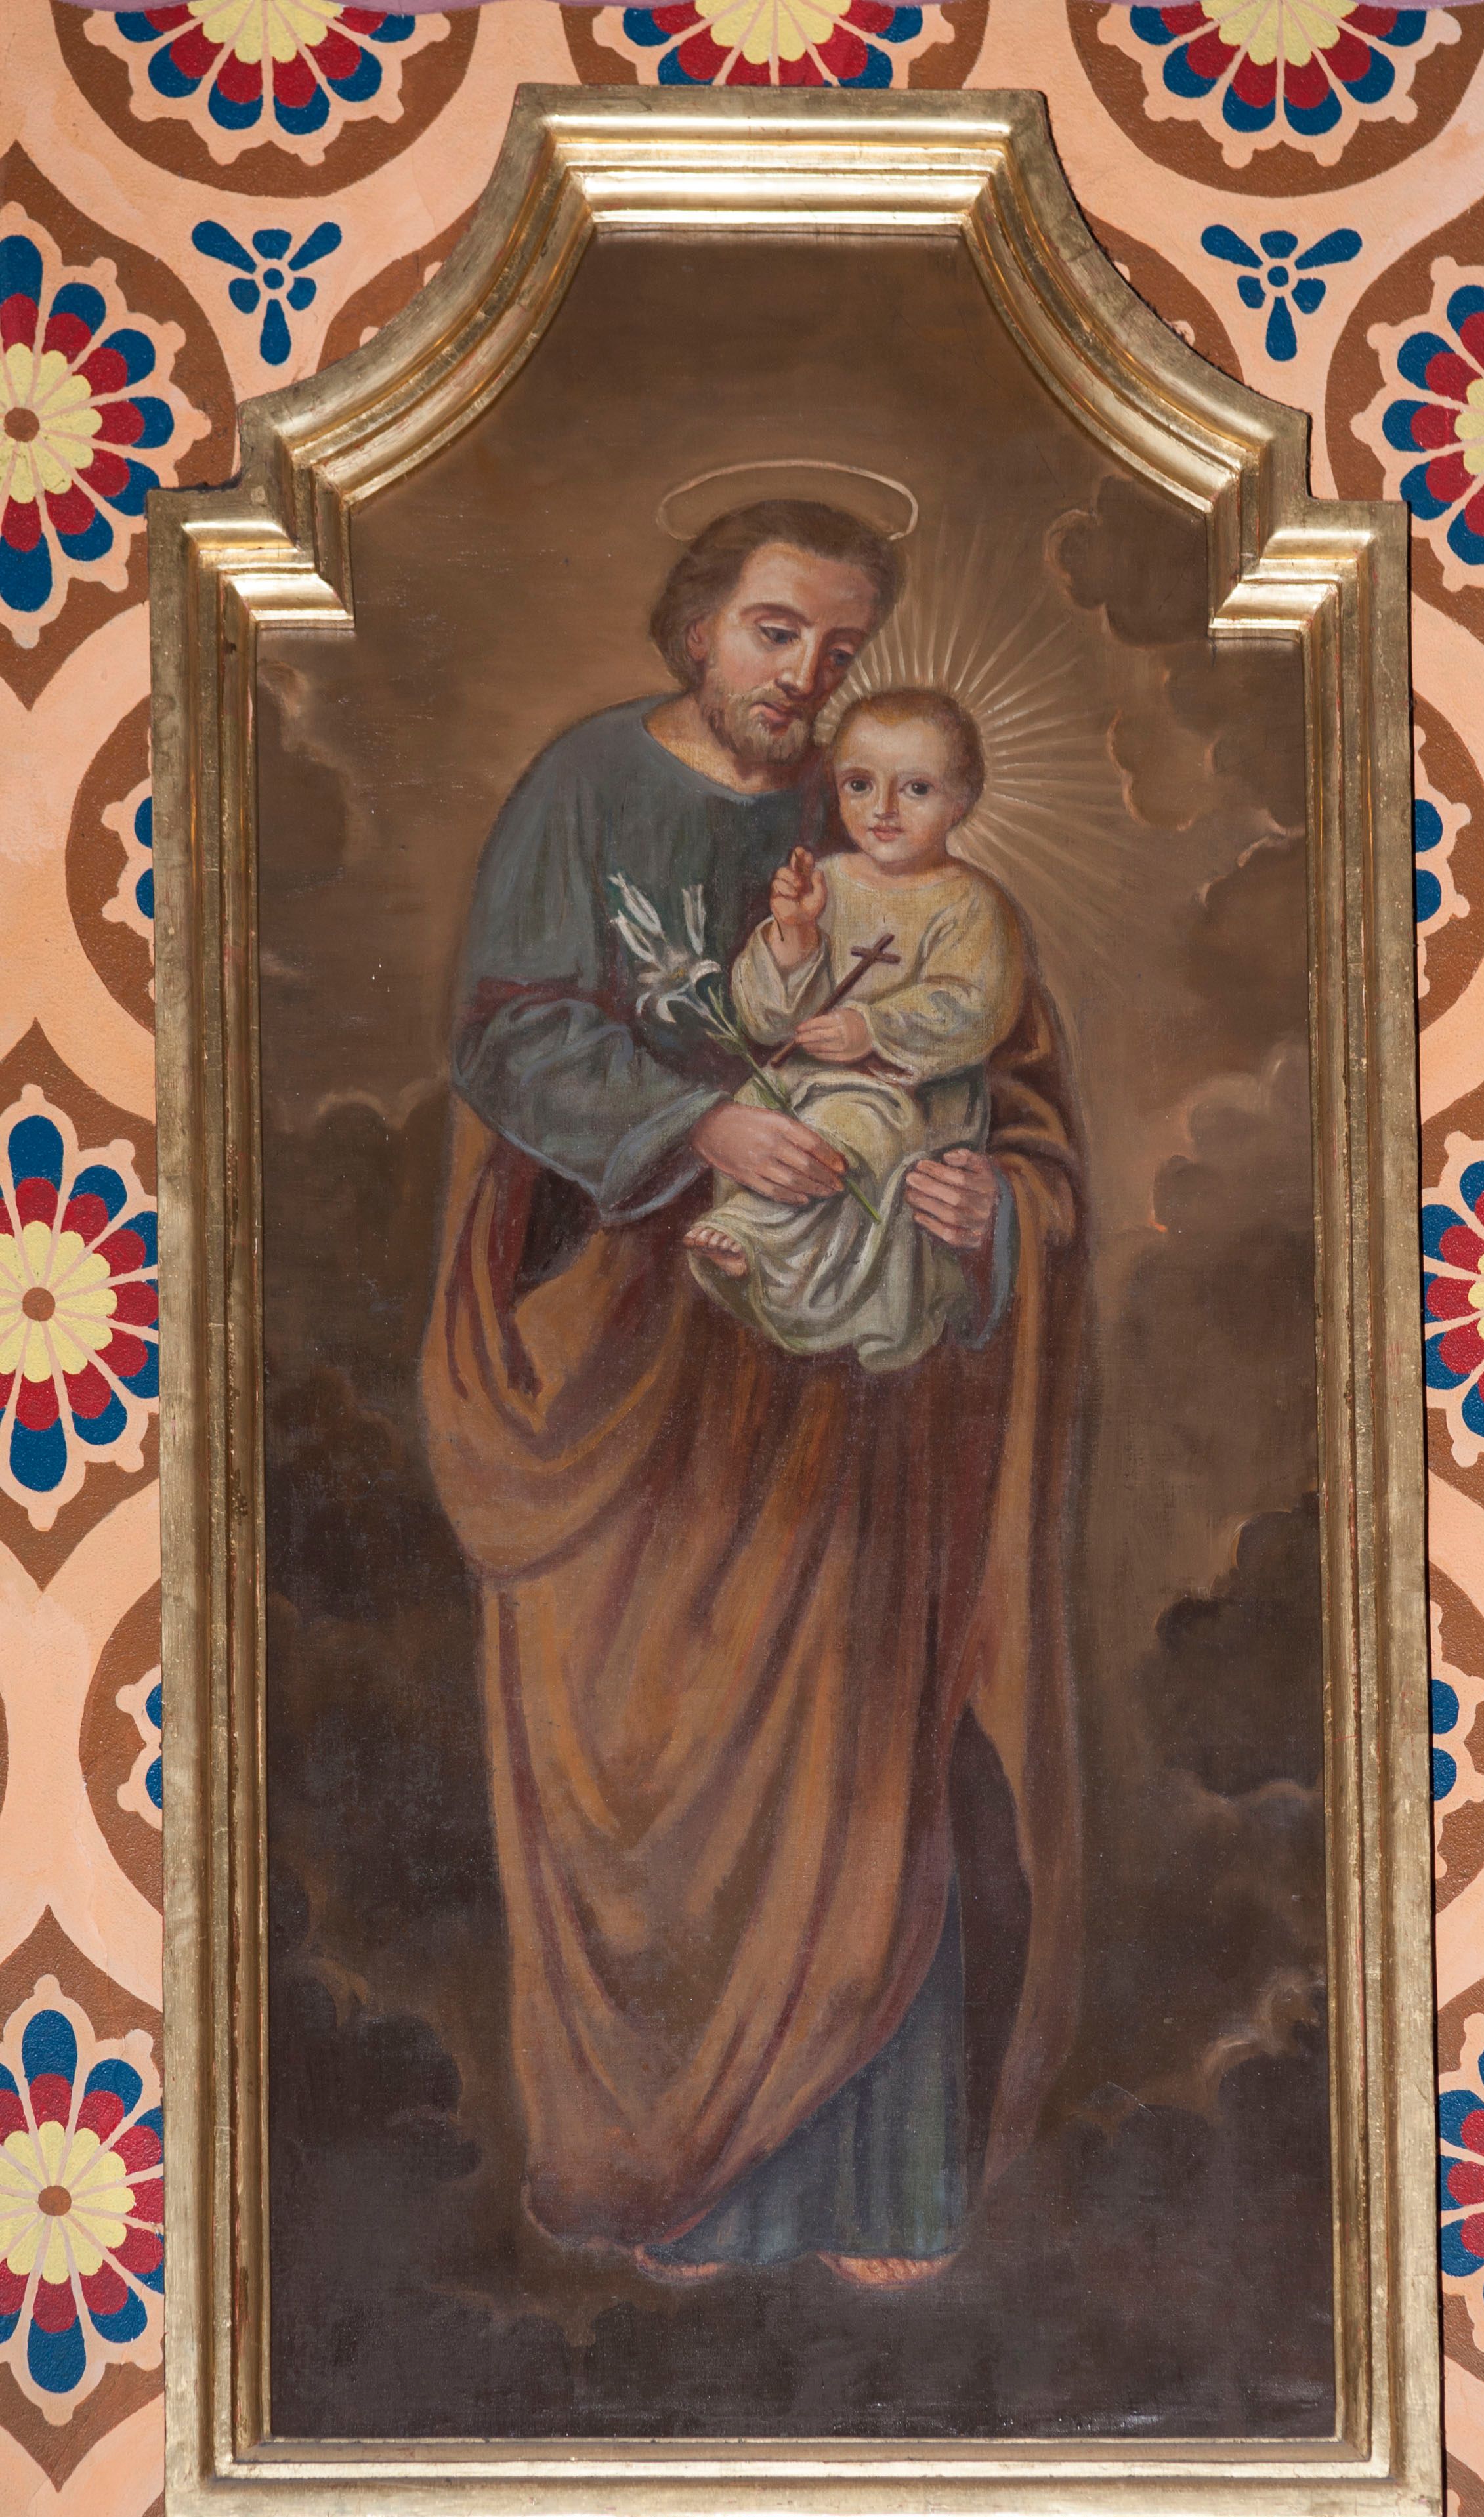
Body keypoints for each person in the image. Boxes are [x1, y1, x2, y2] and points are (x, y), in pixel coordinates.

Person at [421, 492, 1088, 2284]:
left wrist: (989, 1212)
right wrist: (697, 1125)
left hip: (847, 1415)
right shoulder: (586, 787)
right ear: (698, 619)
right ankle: (675, 2184)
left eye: (840, 644)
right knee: (649, 1772)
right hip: (637, 1381)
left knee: (863, 1769)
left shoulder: (879, 801)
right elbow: (508, 1031)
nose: (808, 674)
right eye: (777, 629)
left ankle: (871, 2198)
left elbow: (1011, 1097)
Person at [686, 688, 1024, 1374]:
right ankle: (775, 1262)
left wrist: (871, 1028)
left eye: (917, 788)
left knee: (856, 1122)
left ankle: (752, 1234)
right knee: (761, 1111)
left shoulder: (972, 904)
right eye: (860, 785)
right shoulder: (826, 882)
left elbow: (974, 1009)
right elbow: (764, 1017)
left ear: (961, 802)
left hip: (909, 1102)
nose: (883, 809)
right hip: (808, 1085)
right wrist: (795, 936)